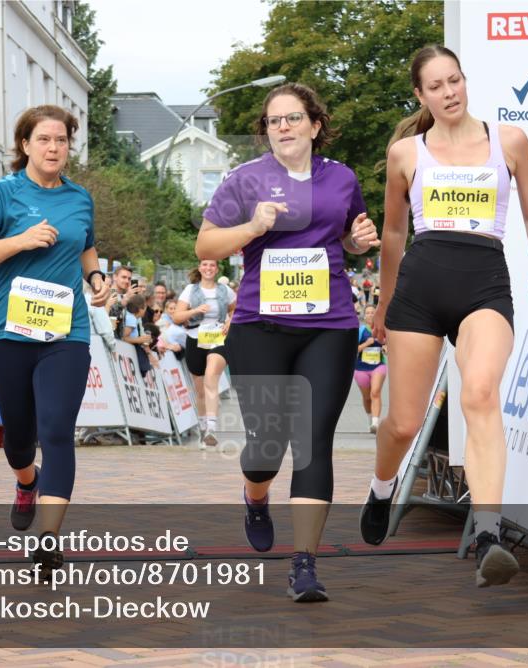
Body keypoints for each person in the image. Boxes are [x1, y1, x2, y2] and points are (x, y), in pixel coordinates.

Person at [363, 45, 528, 588]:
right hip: (420, 289)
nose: (449, 93)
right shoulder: (406, 153)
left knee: (479, 394)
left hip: (485, 285)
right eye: (436, 86)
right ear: (420, 95)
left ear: (465, 81)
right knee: (402, 423)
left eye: (455, 80)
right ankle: (381, 488)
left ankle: (489, 533)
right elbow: (396, 234)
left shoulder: (508, 141)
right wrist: (383, 302)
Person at [195, 82, 380, 602]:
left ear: (314, 125)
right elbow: (206, 243)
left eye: (293, 118)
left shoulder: (341, 177)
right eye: (274, 120)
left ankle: (305, 564)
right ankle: (255, 496)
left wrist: (355, 242)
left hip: (329, 324)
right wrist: (252, 226)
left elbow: (347, 235)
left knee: (313, 443)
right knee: (267, 448)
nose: (283, 127)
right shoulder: (245, 179)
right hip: (261, 326)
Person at [0, 104, 110, 577]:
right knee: (19, 440)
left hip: (67, 331)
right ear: (24, 144)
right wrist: (20, 241)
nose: (53, 148)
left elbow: (85, 244)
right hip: (9, 331)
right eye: (44, 139)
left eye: (61, 140)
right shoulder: (3, 193)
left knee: (59, 430)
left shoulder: (79, 197)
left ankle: (48, 540)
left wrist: (96, 275)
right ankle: (26, 481)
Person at [172, 260, 236, 449]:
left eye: (212, 265)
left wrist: (229, 322)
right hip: (195, 337)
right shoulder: (191, 290)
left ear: (217, 269)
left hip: (218, 338)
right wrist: (195, 310)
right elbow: (177, 317)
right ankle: (203, 430)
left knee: (211, 377)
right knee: (200, 390)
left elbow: (238, 310)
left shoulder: (225, 290)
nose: (208, 268)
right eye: (205, 265)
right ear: (200, 268)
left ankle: (212, 428)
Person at [354, 304, 388, 434]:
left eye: (372, 312)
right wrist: (366, 344)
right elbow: (353, 350)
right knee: (367, 397)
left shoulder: (382, 330)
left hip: (378, 366)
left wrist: (386, 348)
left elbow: (387, 345)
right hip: (361, 368)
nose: (370, 315)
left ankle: (375, 423)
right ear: (364, 315)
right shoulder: (360, 331)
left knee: (375, 392)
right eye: (367, 313)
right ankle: (370, 419)